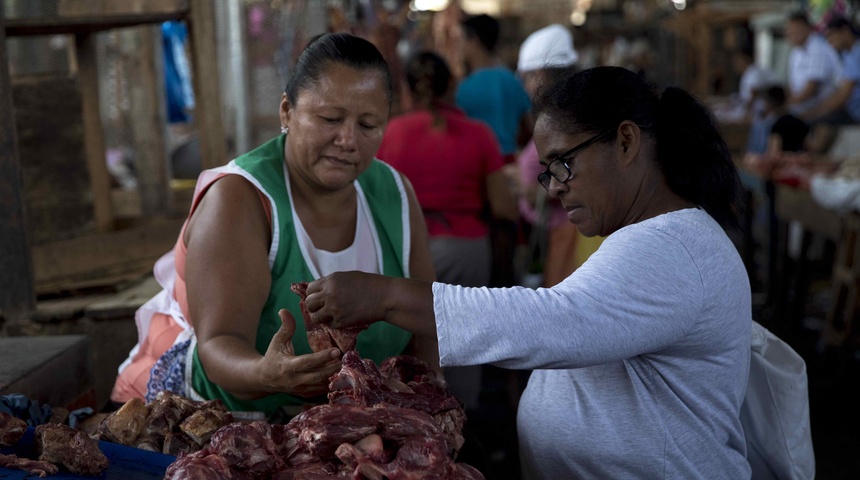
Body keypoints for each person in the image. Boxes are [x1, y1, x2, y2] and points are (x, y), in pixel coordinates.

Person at [305, 66, 752, 478]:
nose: (555, 185)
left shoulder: (673, 245)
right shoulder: (652, 236)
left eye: (564, 162)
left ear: (627, 142)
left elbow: (558, 320)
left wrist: (384, 297)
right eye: (547, 172)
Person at [110, 33, 437, 417]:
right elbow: (218, 345)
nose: (348, 139)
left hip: (344, 424)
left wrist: (428, 399)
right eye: (330, 119)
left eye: (368, 125)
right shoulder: (239, 199)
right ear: (287, 112)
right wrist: (267, 375)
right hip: (225, 421)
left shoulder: (394, 194)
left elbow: (427, 320)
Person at [376, 50, 517, 412]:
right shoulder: (479, 135)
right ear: (451, 86)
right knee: (466, 343)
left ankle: (414, 431)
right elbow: (502, 207)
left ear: (405, 88)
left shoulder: (389, 134)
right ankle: (462, 430)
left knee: (412, 343)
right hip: (466, 250)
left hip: (406, 249)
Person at [515, 24, 596, 288]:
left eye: (526, 77)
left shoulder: (562, 119)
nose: (525, 85)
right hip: (563, 233)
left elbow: (574, 176)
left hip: (571, 234)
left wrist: (530, 191)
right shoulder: (563, 115)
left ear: (539, 75)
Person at [456, 13, 531, 289]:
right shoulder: (512, 81)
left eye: (462, 40)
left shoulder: (463, 89)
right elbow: (527, 129)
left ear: (474, 41)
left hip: (477, 169)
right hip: (511, 166)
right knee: (506, 238)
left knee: (483, 234)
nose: (460, 47)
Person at [804, 16, 860, 152]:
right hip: (851, 110)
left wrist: (814, 112)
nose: (830, 43)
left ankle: (814, 162)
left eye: (832, 37)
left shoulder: (857, 53)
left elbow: (843, 95)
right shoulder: (848, 54)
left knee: (818, 123)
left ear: (845, 32)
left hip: (856, 113)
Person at [785, 12, 842, 117]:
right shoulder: (796, 51)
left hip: (824, 108)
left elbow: (811, 89)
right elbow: (793, 86)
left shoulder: (818, 47)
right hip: (803, 108)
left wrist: (784, 107)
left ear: (807, 28)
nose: (790, 33)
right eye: (789, 29)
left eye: (794, 29)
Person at [765, 85, 810, 153]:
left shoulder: (776, 125)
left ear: (770, 103)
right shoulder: (800, 121)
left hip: (784, 161)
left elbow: (773, 153)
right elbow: (810, 148)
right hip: (800, 159)